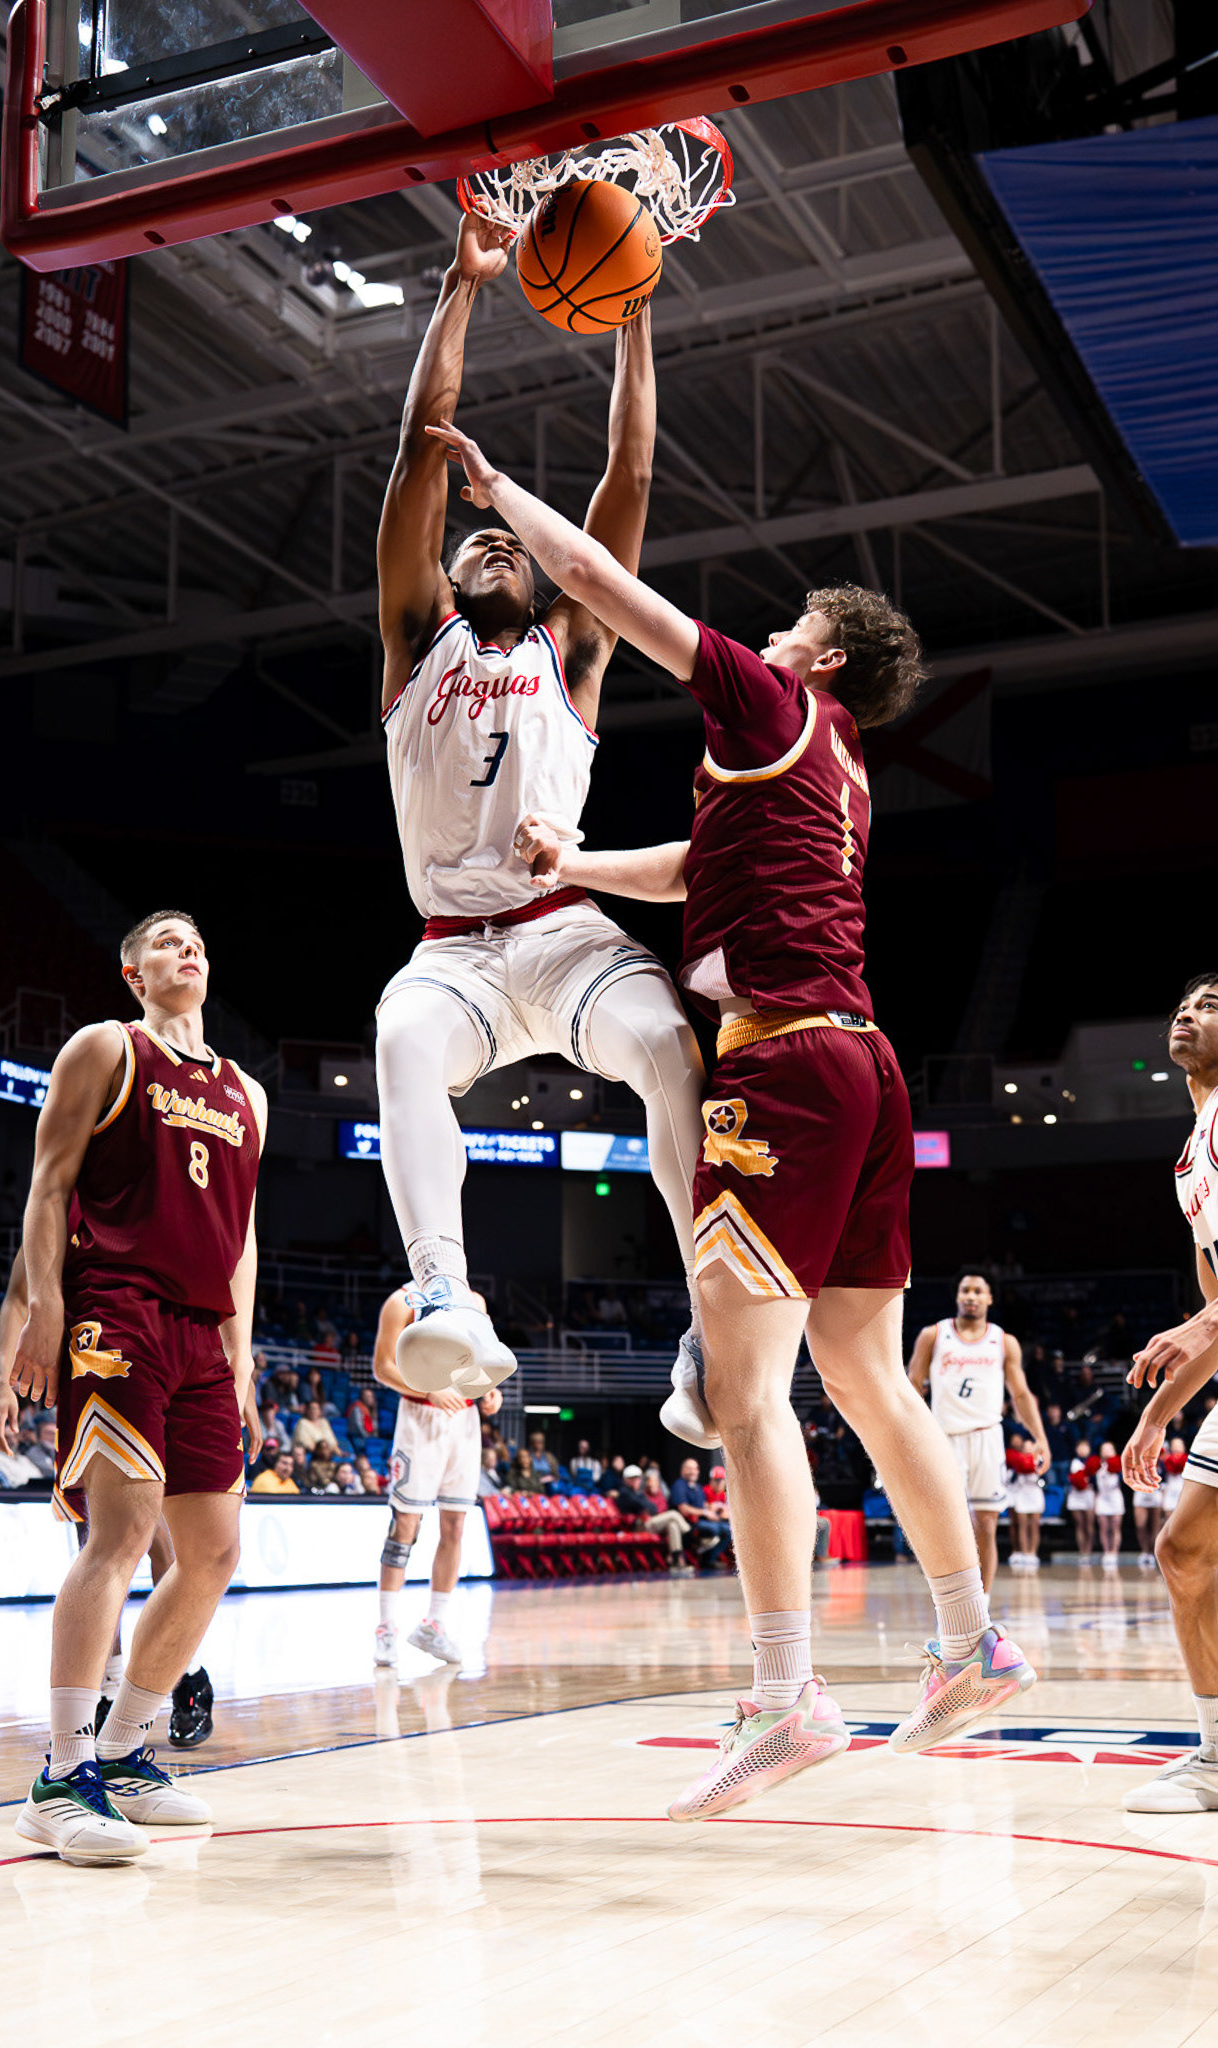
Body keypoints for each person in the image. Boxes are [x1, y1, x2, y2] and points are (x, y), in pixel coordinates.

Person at [429, 412, 1037, 1820]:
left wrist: (499, 487)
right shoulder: (840, 759)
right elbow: (698, 869)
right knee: (865, 1375)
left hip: (783, 1070)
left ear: (818, 657)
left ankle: (784, 1694)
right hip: (866, 1065)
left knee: (746, 1394)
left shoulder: (766, 701)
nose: (771, 632)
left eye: (793, 624)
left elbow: (597, 582)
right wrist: (575, 862)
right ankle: (970, 1638)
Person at [373, 213, 708, 1444]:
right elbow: (419, 445)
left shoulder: (576, 646)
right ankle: (446, 1295)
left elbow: (630, 474)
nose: (500, 542)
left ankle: (708, 1320)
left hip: (564, 931)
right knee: (398, 1036)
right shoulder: (414, 638)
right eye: (482, 539)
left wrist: (636, 318)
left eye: (517, 542)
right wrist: (460, 286)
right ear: (452, 577)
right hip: (451, 948)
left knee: (668, 1044)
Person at [4, 910, 265, 1864]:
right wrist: (42, 1308)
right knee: (119, 1534)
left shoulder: (248, 1094)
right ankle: (59, 1777)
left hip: (202, 1334)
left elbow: (242, 1238)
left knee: (214, 1551)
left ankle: (121, 1755)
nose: (185, 948)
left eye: (196, 939)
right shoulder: (106, 1048)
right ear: (133, 973)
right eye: (164, 941)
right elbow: (47, 1185)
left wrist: (241, 1353)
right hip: (117, 1309)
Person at [1121, 973, 1218, 1812]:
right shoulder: (1192, 1155)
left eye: (1211, 1006)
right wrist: (1156, 1416)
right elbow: (1213, 1307)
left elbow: (1210, 1316)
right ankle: (1216, 1758)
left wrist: (1205, 1322)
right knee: (1182, 1552)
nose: (1187, 1014)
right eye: (1183, 1005)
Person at [371, 1285, 502, 1667]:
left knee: (456, 1526)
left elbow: (484, 1357)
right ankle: (386, 1627)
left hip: (464, 1418)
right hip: (418, 1417)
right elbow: (382, 1367)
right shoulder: (401, 1301)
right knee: (405, 1526)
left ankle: (435, 1625)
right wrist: (428, 1391)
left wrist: (491, 1390)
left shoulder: (474, 1300)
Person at [907, 1270, 1050, 1595]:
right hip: (944, 1438)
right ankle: (950, 1600)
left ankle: (981, 1601)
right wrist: (914, 1434)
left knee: (986, 1523)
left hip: (987, 1437)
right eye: (965, 1290)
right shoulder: (933, 1335)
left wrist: (1040, 1437)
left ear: (989, 1298)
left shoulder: (1003, 1341)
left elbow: (1020, 1394)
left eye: (977, 1291)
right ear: (957, 1296)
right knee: (948, 1526)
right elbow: (912, 1385)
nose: (971, 1296)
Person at [615, 1464, 693, 1575]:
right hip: (636, 1526)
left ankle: (676, 1563)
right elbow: (640, 1504)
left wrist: (644, 1507)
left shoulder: (638, 1493)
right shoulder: (624, 1493)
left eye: (637, 1478)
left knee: (673, 1524)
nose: (635, 1481)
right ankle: (690, 1535)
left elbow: (653, 1509)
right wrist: (644, 1507)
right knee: (673, 1514)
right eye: (632, 1478)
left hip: (647, 1522)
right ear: (625, 1480)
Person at [670, 1456, 732, 1569]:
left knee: (728, 1530)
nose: (693, 1471)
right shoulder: (680, 1485)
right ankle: (702, 1551)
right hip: (687, 1524)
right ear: (683, 1470)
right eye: (689, 1468)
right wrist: (705, 1512)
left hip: (701, 1521)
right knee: (716, 1528)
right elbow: (683, 1508)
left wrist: (712, 1509)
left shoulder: (697, 1487)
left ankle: (709, 1558)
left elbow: (703, 1505)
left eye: (695, 1468)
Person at [1004, 1434, 1044, 1571]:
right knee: (1022, 1525)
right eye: (1025, 1447)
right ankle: (1023, 1552)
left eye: (1030, 1447)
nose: (1028, 1449)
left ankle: (1032, 1553)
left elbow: (1044, 1477)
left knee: (1034, 1525)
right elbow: (1010, 1480)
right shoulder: (1016, 1461)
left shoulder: (1039, 1460)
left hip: (1035, 1494)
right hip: (1021, 1495)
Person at [1094, 1442, 1125, 1566]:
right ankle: (1106, 1552)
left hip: (1115, 1497)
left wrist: (1118, 1470)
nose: (1107, 1451)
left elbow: (1124, 1480)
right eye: (1104, 1449)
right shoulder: (1096, 1465)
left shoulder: (1120, 1464)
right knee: (1104, 1527)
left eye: (1109, 1449)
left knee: (1115, 1527)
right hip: (1102, 1497)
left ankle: (1114, 1552)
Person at [1067, 1441, 1099, 1558]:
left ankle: (1089, 1550)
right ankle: (1082, 1551)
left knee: (1089, 1524)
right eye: (1080, 1447)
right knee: (1080, 1524)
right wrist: (1078, 1481)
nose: (1082, 1450)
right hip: (1076, 1495)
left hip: (1088, 1494)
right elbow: (1068, 1478)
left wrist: (1089, 1481)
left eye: (1085, 1447)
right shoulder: (1073, 1462)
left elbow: (1097, 1480)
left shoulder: (1093, 1462)